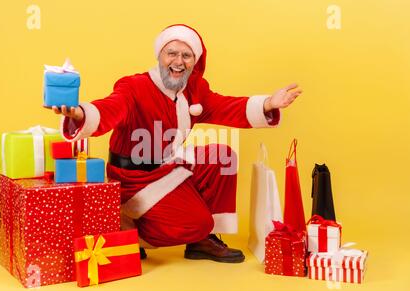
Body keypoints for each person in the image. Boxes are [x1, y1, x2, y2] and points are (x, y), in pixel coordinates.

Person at [49, 24, 302, 263]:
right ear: (160, 55)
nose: (178, 62)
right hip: (135, 178)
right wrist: (81, 114)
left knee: (221, 156)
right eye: (171, 53)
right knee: (197, 221)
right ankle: (128, 233)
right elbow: (110, 108)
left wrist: (269, 103)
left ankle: (201, 241)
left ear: (195, 62)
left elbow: (226, 107)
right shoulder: (134, 86)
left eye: (186, 55)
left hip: (168, 166)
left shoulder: (195, 89)